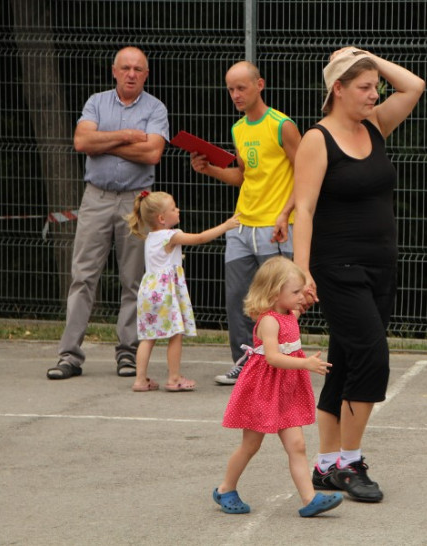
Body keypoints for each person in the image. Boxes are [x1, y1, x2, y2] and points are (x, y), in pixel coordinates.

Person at [293, 47, 425, 502]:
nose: (375, 94)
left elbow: (414, 86)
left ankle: (326, 464)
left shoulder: (375, 125)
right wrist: (301, 270)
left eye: (376, 87)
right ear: (339, 89)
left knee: (346, 360)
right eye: (365, 87)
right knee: (372, 356)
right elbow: (304, 209)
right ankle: (349, 463)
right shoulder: (317, 139)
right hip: (337, 267)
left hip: (380, 265)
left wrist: (368, 57)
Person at [47, 46, 170, 380]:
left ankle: (128, 353)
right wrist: (128, 136)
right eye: (125, 68)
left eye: (138, 69)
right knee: (82, 277)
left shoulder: (155, 108)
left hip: (137, 202)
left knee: (133, 280)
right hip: (96, 198)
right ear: (114, 71)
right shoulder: (96, 102)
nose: (131, 74)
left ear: (146, 75)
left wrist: (104, 142)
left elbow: (153, 153)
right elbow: (82, 143)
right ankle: (69, 356)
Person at [190, 61, 301, 385]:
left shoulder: (282, 125)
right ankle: (244, 365)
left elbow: (305, 173)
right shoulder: (238, 129)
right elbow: (243, 176)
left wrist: (285, 213)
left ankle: (285, 365)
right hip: (241, 225)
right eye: (231, 89)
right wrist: (209, 169)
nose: (236, 94)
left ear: (259, 85)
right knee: (238, 299)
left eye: (241, 87)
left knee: (278, 302)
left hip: (275, 227)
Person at [213, 256, 343, 517]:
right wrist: (305, 363)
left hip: (286, 391)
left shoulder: (289, 313)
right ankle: (226, 488)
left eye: (300, 291)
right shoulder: (269, 321)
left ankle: (310, 500)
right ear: (274, 293)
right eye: (295, 292)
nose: (300, 297)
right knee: (250, 445)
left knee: (298, 445)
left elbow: (299, 306)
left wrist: (307, 294)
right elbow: (272, 358)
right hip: (264, 390)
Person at [126, 190, 240, 392]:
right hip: (165, 293)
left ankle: (140, 380)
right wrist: (226, 225)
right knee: (175, 334)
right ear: (161, 218)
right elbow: (200, 238)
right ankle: (174, 378)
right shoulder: (170, 235)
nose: (177, 210)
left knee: (148, 336)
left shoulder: (151, 237)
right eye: (173, 208)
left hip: (148, 292)